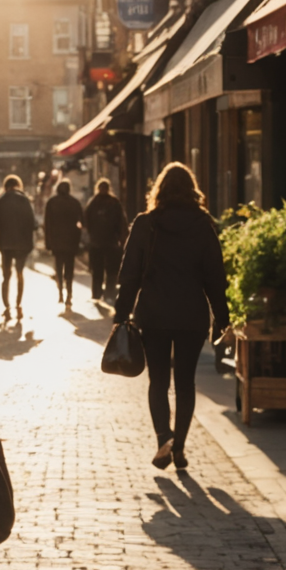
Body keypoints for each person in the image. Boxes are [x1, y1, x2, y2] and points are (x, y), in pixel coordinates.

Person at [113, 162, 230, 471]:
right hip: (191, 314)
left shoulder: (145, 223)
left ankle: (163, 437)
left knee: (158, 380)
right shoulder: (203, 224)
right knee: (186, 383)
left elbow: (129, 274)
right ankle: (179, 447)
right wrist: (222, 316)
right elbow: (215, 276)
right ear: (192, 190)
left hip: (154, 314)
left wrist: (121, 313)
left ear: (159, 190)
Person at [0, 175, 37, 320]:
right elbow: (33, 223)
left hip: (5, 244)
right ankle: (18, 305)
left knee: (6, 276)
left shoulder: (0, 202)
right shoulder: (24, 200)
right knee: (19, 273)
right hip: (22, 244)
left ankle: (6, 307)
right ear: (18, 185)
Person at [42, 180, 85, 308]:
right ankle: (69, 295)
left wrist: (48, 242)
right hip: (71, 241)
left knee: (59, 268)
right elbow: (82, 221)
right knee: (69, 269)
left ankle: (60, 292)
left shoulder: (52, 203)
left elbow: (47, 224)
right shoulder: (75, 203)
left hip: (56, 241)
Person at [84, 179, 128, 302]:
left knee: (99, 269)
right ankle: (108, 293)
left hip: (99, 242)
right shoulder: (113, 203)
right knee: (110, 270)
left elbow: (86, 221)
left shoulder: (93, 203)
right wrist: (121, 237)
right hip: (110, 242)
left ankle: (98, 293)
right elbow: (121, 222)